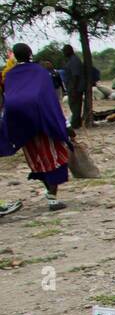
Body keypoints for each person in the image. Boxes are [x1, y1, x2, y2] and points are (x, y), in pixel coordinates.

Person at [0, 43, 73, 212]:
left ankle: (50, 193)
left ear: (16, 57)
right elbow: (50, 100)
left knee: (38, 160)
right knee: (55, 157)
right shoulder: (40, 72)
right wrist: (63, 124)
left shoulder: (10, 75)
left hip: (22, 125)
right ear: (30, 53)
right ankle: (52, 197)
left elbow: (9, 99)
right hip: (43, 122)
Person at [60, 45, 85, 129]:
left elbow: (75, 76)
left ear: (69, 51)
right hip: (72, 87)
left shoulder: (74, 61)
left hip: (75, 88)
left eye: (64, 51)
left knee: (75, 106)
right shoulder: (72, 60)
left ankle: (75, 124)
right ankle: (76, 122)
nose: (63, 53)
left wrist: (73, 88)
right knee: (73, 105)